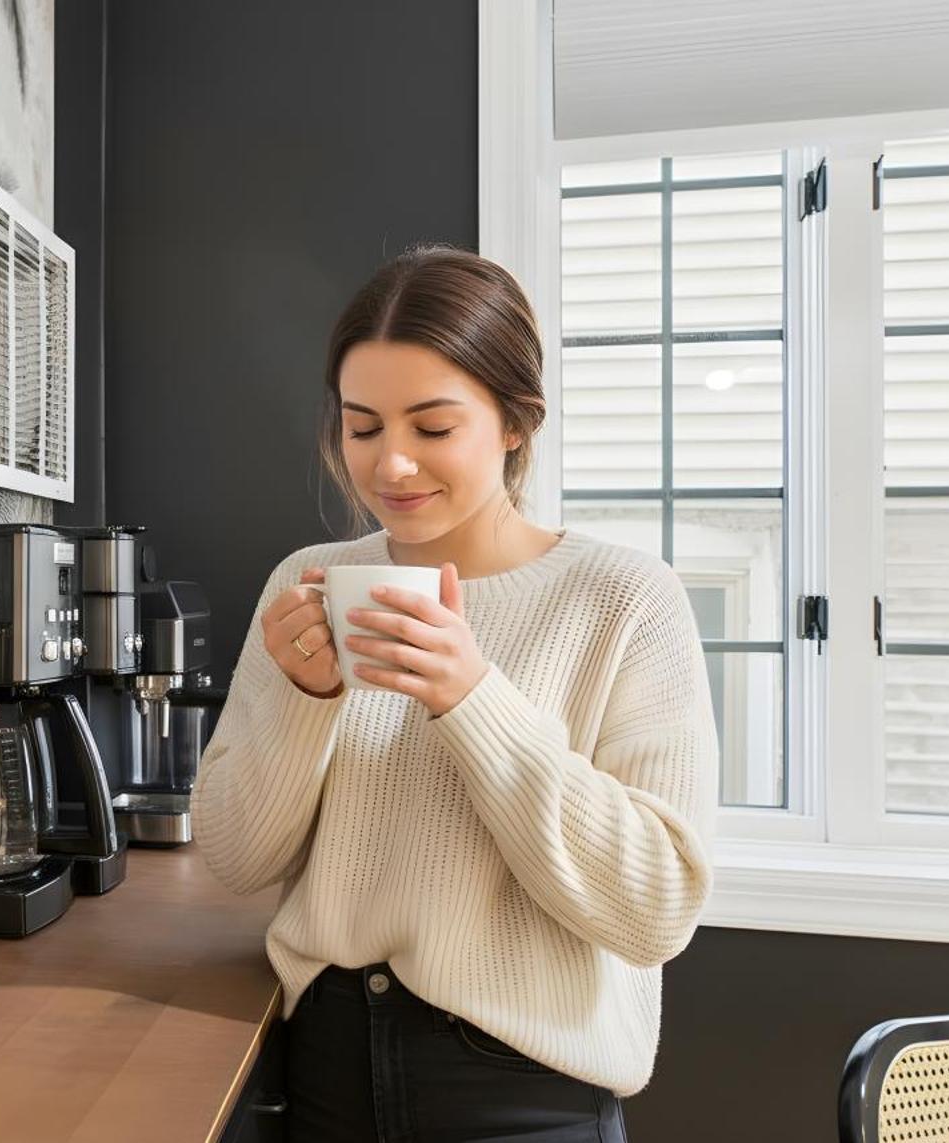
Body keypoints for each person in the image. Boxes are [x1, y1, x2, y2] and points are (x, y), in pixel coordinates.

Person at [194, 246, 719, 1142]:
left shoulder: (624, 599)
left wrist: (474, 699)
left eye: (432, 428)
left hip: (524, 1095)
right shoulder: (310, 580)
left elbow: (655, 907)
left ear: (516, 423)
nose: (391, 465)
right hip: (324, 1069)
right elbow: (235, 860)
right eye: (363, 428)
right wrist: (302, 700)